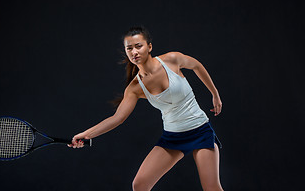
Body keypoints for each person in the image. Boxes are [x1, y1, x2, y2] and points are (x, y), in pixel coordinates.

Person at [68, 26, 224, 191]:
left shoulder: (172, 59)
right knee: (139, 185)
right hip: (173, 138)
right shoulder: (135, 88)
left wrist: (215, 94)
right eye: (129, 48)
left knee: (212, 187)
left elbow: (197, 66)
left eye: (138, 46)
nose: (134, 52)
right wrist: (86, 134)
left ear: (149, 47)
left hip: (200, 130)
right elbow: (117, 118)